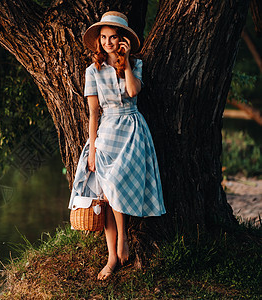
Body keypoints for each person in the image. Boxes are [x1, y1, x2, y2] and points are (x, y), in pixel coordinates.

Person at [68, 11, 166, 280]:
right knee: (107, 195)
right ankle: (113, 255)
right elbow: (93, 113)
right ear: (98, 41)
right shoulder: (92, 71)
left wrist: (127, 65)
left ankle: (122, 240)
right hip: (107, 133)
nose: (108, 42)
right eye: (104, 38)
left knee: (117, 187)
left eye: (113, 37)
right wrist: (93, 149)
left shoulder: (134, 65)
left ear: (122, 40)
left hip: (132, 129)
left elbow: (133, 92)